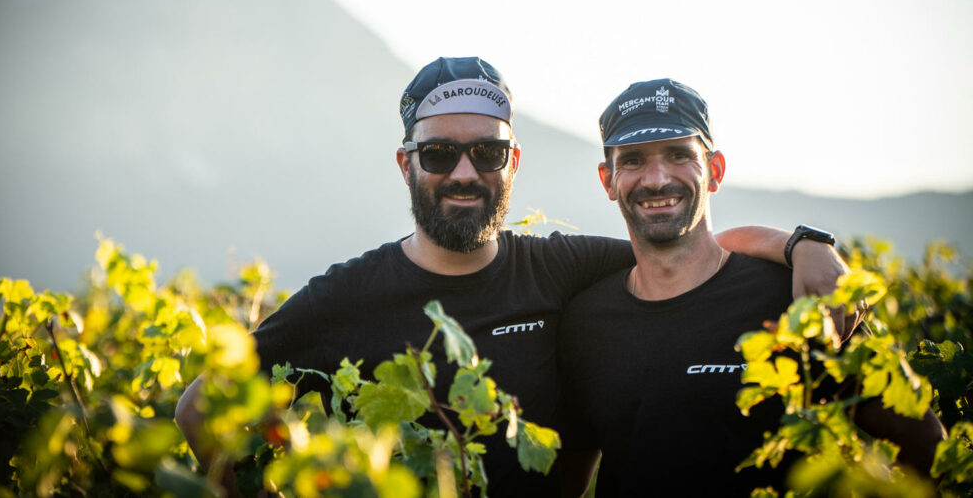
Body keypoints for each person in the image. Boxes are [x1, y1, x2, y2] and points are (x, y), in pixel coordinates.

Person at [175, 59, 851, 497]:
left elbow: (687, 249)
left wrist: (802, 244)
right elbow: (200, 405)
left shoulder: (562, 268)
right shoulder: (345, 295)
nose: (464, 172)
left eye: (486, 151)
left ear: (514, 161)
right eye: (439, 152)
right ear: (406, 164)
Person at [558, 79, 946, 497]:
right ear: (608, 180)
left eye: (678, 155)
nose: (656, 179)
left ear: (715, 171)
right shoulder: (585, 322)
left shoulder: (799, 298)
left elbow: (926, 446)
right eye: (632, 160)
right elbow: (569, 483)